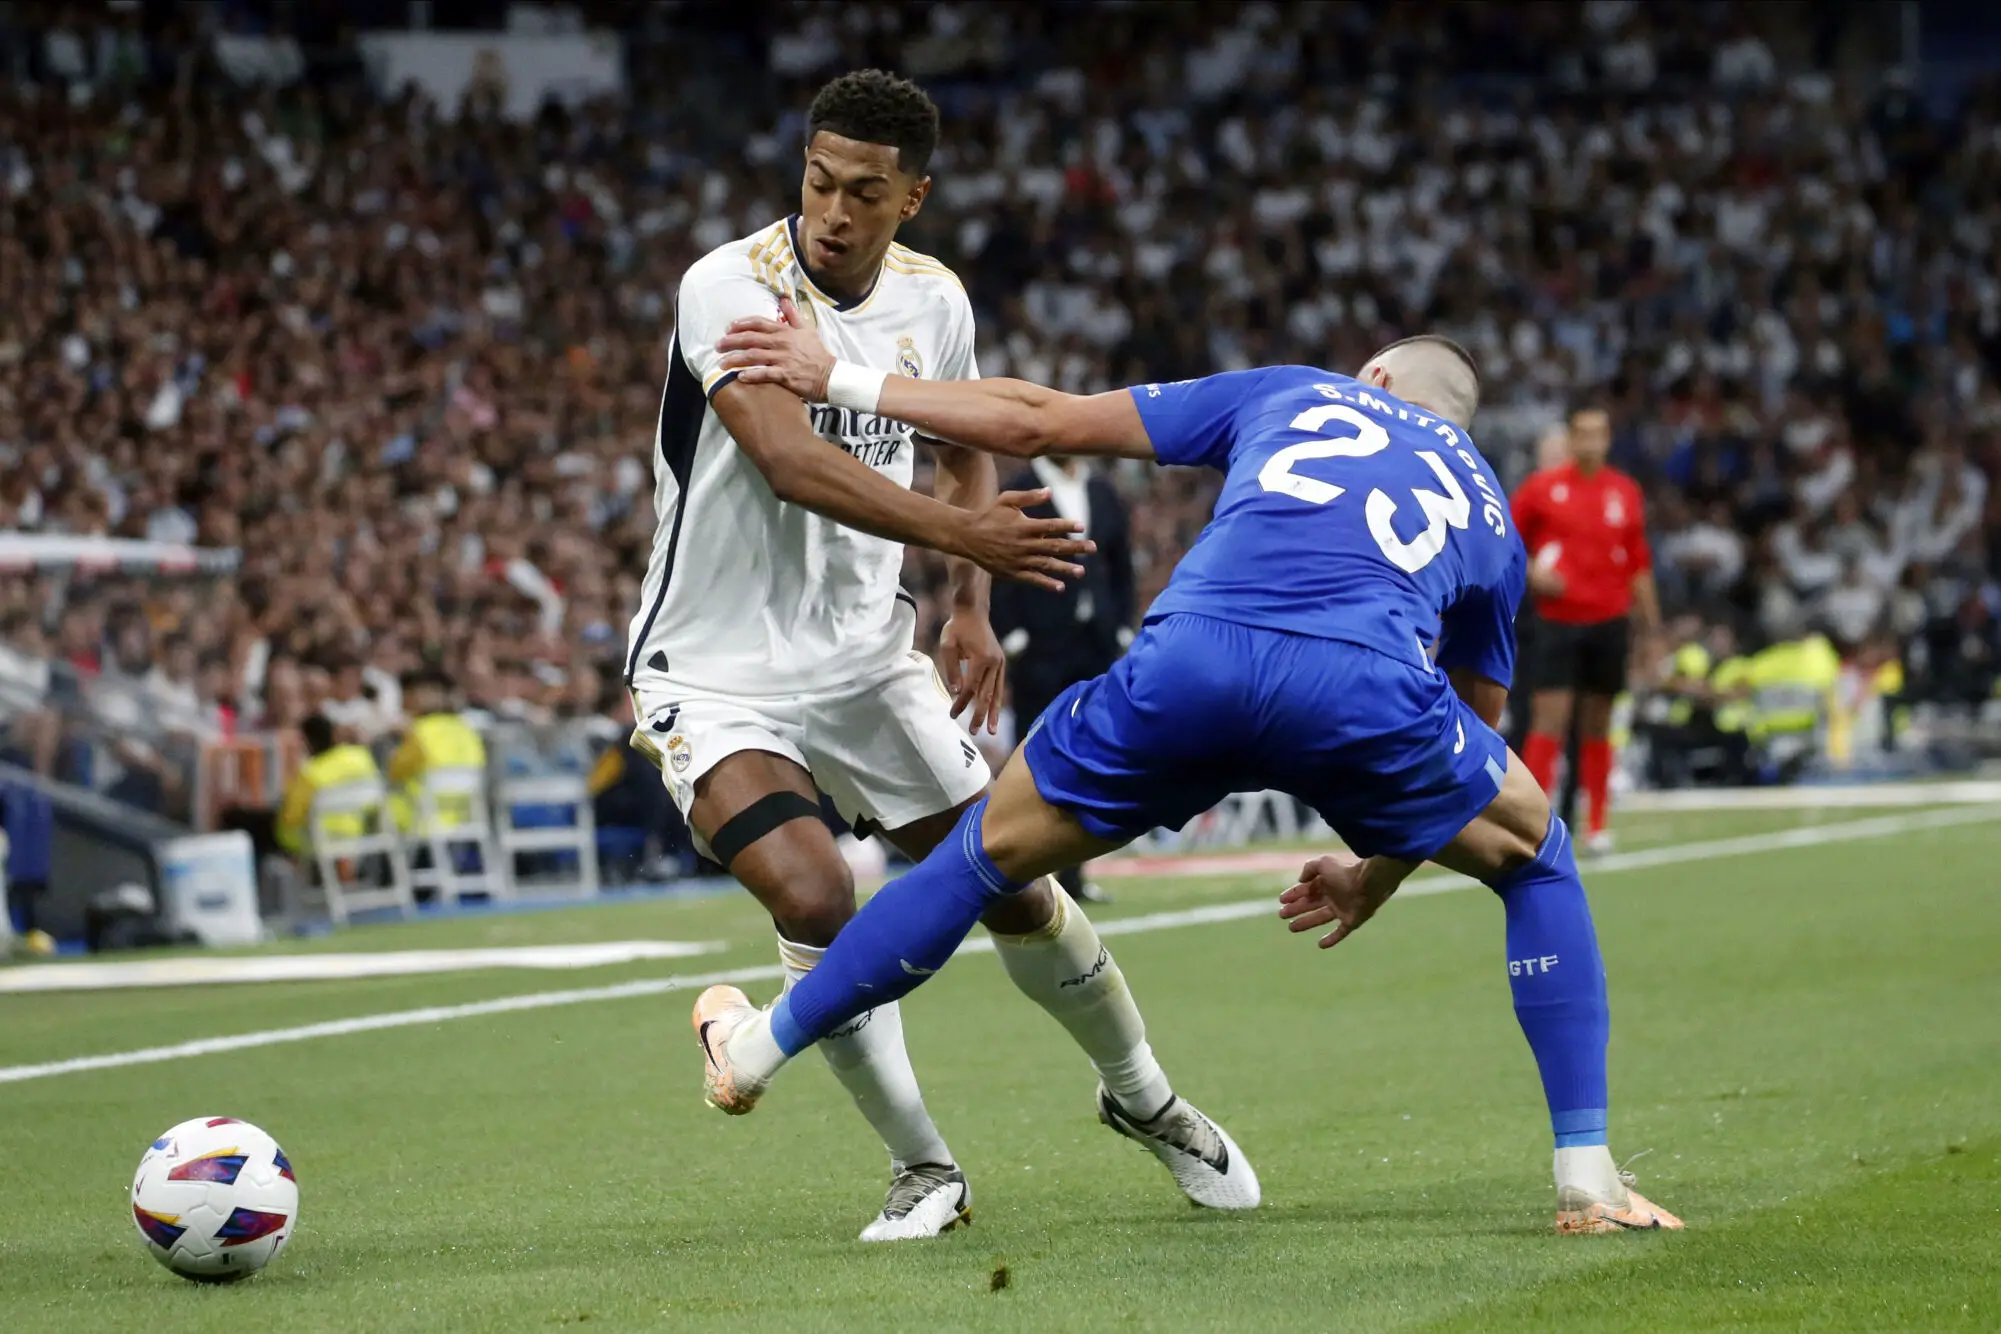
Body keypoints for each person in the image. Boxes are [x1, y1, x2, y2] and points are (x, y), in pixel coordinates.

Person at [695, 312, 1683, 1235]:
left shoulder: (1298, 390)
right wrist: (1373, 874)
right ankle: (1586, 1172)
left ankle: (755, 1049)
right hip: (1363, 689)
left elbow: (1037, 417)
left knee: (980, 855)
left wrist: (840, 377)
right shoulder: (1491, 512)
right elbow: (1474, 734)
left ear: (1373, 376)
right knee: (1535, 852)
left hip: (1195, 663)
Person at [628, 69, 1256, 1240]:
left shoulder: (936, 302)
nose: (832, 210)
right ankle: (925, 1168)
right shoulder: (728, 287)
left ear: (912, 197)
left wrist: (964, 602)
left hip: (869, 660)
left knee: (1017, 885)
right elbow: (788, 459)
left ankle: (1148, 1101)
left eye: (865, 192)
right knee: (815, 891)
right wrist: (960, 535)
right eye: (819, 180)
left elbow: (962, 442)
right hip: (711, 668)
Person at [1509, 402, 1661, 853]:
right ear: (1572, 439)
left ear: (1608, 439)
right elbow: (1505, 540)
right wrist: (1533, 572)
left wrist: (1651, 629)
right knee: (1548, 721)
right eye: (1584, 434)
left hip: (1609, 620)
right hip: (1558, 621)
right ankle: (1532, 822)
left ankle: (1597, 825)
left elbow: (1638, 563)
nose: (1592, 442)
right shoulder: (1542, 489)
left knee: (1598, 723)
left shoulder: (1624, 492)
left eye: (1600, 433)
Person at [990, 453, 1136, 904]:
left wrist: (1121, 626)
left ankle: (1072, 878)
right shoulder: (1024, 487)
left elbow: (1120, 565)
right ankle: (1026, 876)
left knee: (1089, 758)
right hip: (1041, 648)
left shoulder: (1100, 489)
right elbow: (997, 561)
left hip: (1093, 646)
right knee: (1035, 762)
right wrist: (1013, 633)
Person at [275, 714, 382, 857]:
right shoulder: (361, 757)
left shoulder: (310, 773)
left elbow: (291, 817)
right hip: (358, 835)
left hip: (319, 842)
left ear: (307, 741)